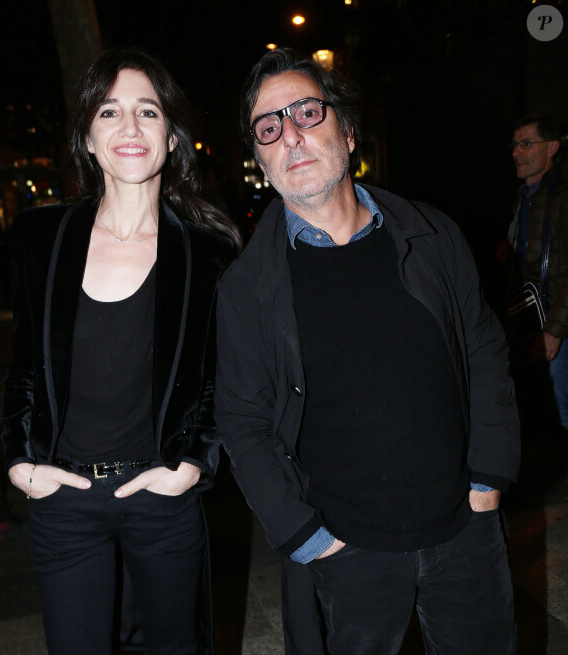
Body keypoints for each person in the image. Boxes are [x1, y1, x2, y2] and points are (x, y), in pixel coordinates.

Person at [214, 48, 520, 655]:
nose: (291, 136)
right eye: (269, 127)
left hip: (464, 528)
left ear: (348, 132)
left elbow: (482, 349)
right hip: (345, 553)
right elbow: (241, 422)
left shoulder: (433, 234)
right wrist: (307, 537)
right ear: (261, 160)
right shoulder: (246, 287)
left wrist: (489, 477)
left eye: (307, 112)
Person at [0, 48, 239, 655]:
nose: (129, 128)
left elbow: (222, 380)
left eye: (148, 112)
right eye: (109, 112)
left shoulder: (209, 254)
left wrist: (194, 464)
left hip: (159, 498)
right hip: (63, 501)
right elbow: (24, 365)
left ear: (173, 137)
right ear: (87, 135)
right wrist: (19, 463)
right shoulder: (39, 237)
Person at [505, 114, 568, 432]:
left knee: (564, 414)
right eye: (515, 145)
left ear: (552, 147)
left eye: (527, 144)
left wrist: (554, 331)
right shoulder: (525, 197)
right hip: (532, 322)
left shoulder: (562, 196)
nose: (517, 152)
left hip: (559, 327)